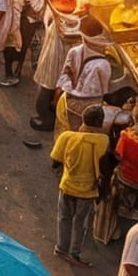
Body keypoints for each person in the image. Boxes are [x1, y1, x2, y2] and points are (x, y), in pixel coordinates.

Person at [51, 104, 108, 266]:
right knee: (80, 223)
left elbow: (55, 161)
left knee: (63, 217)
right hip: (88, 191)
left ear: (83, 119)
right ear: (101, 124)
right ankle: (74, 254)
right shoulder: (103, 141)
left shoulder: (66, 137)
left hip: (67, 185)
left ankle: (61, 248)